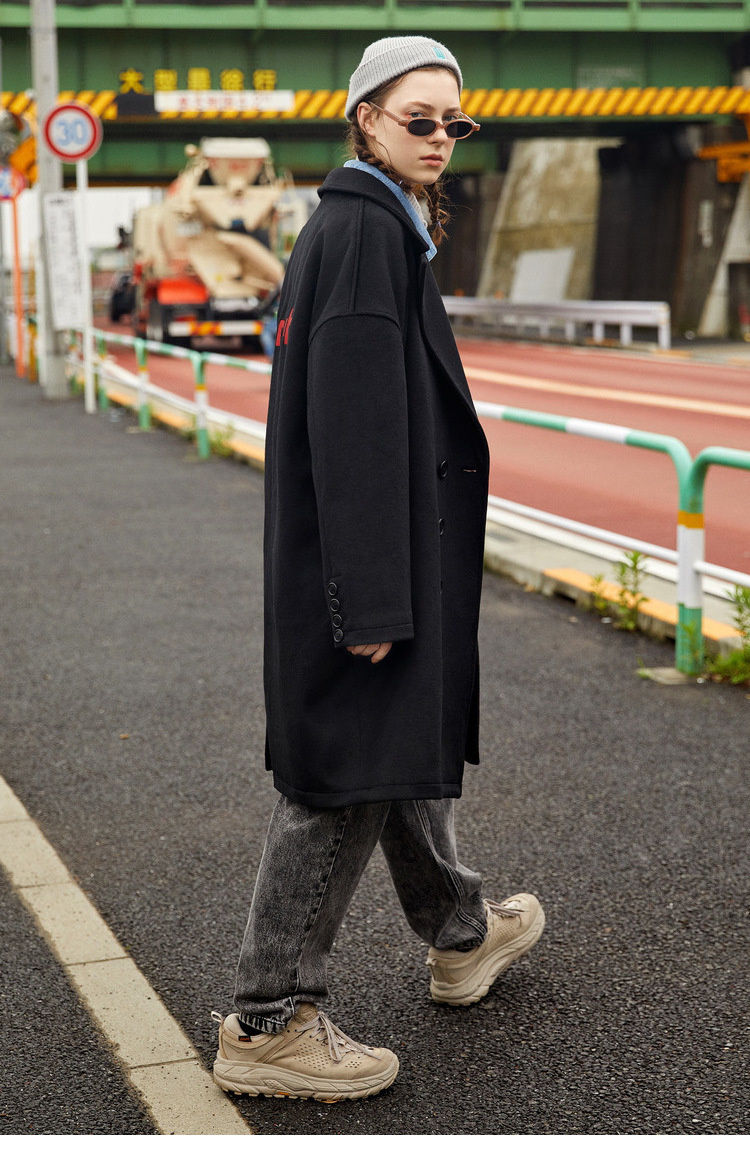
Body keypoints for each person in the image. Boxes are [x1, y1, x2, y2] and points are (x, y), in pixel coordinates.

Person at [212, 36, 545, 1103]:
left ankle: (461, 930)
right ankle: (268, 1018)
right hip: (365, 565)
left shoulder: (371, 224)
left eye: (455, 122)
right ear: (365, 119)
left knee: (387, 748)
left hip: (375, 555)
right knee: (339, 778)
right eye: (419, 118)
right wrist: (369, 599)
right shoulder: (363, 234)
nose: (441, 137)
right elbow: (353, 430)